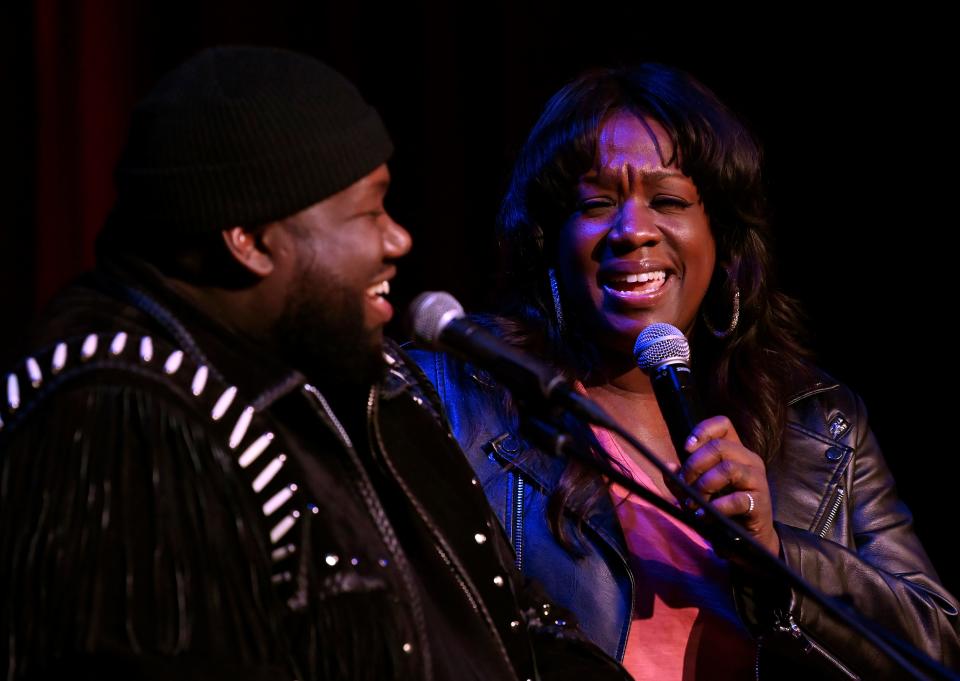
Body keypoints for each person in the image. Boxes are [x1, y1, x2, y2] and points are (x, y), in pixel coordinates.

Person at [0, 47, 631, 681]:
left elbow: (510, 623)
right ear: (249, 238)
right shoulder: (119, 401)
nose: (398, 239)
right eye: (368, 211)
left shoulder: (363, 373)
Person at [409, 64, 960, 679]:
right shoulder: (462, 402)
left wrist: (775, 555)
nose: (633, 232)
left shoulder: (819, 420)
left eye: (668, 201)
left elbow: (933, 646)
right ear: (548, 241)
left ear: (720, 236)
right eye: (595, 204)